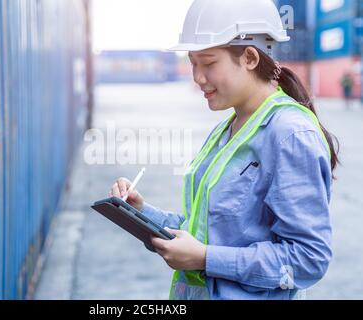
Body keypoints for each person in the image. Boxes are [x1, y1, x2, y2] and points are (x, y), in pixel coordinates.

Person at [109, 0, 340, 300]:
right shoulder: (229, 129)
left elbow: (308, 259)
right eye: (193, 62)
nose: (197, 76)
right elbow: (209, 230)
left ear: (250, 58)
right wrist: (142, 214)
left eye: (208, 63)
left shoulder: (290, 135)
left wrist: (206, 258)